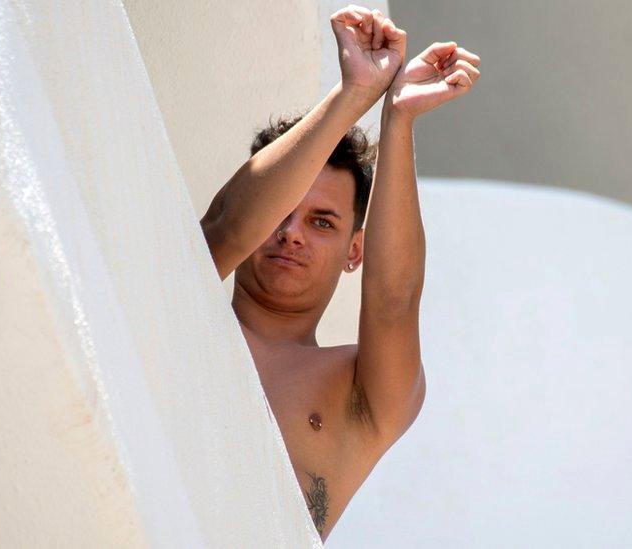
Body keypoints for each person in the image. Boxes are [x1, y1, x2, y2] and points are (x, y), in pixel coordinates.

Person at [201, 4, 480, 541]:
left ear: (357, 250)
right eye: (280, 212)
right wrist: (354, 93)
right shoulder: (180, 294)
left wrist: (396, 117)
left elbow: (394, 300)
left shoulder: (358, 394)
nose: (293, 233)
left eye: (322, 221)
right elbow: (226, 229)